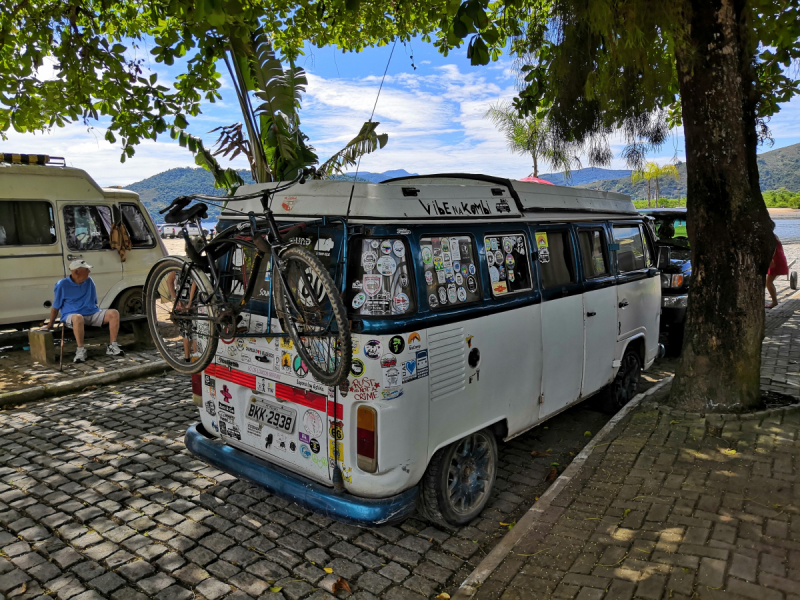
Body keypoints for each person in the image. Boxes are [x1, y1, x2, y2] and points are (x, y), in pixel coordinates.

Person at [44, 260, 124, 362]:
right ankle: (80, 350)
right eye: (86, 269)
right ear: (76, 272)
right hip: (72, 316)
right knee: (78, 318)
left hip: (91, 312)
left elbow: (94, 301)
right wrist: (50, 324)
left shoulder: (89, 281)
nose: (89, 271)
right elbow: (55, 306)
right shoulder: (62, 285)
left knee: (114, 313)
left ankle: (112, 346)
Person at [766, 233, 789, 309]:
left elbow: (773, 248)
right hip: (778, 258)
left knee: (769, 282)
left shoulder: (771, 237)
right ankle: (774, 301)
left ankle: (774, 302)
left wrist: (770, 259)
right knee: (769, 282)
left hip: (776, 260)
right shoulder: (774, 236)